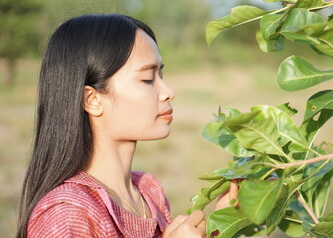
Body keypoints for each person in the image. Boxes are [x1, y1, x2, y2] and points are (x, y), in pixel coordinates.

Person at [16, 14, 208, 238]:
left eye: (161, 75)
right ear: (92, 99)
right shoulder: (68, 213)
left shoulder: (148, 191)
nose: (168, 92)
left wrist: (225, 220)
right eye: (147, 79)